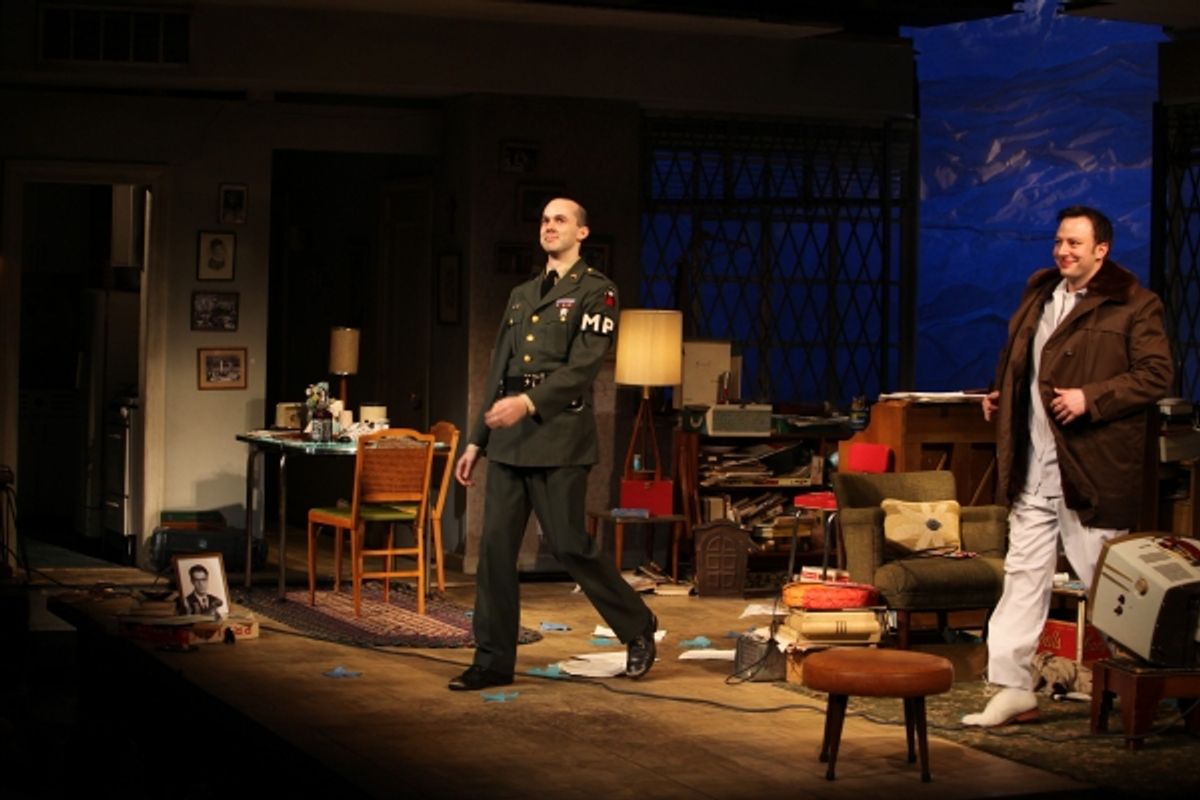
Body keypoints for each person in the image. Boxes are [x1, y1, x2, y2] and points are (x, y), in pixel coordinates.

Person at [963, 205, 1174, 727]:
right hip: (1033, 469)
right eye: (1059, 241)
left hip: (1090, 470)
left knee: (1114, 585)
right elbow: (1024, 366)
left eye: (1075, 244)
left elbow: (1156, 375)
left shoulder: (1134, 304)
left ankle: (1162, 682)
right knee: (1022, 580)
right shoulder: (1039, 296)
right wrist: (1002, 396)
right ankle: (1012, 687)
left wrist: (1091, 397)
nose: (1063, 251)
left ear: (1101, 250)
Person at [449, 197, 658, 691]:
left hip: (560, 433)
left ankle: (637, 625)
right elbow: (499, 368)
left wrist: (528, 403)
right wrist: (478, 440)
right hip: (509, 440)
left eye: (560, 219)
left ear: (582, 233)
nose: (549, 226)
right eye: (544, 220)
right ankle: (492, 659)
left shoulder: (597, 292)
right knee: (496, 551)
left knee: (569, 545)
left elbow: (583, 367)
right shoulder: (522, 295)